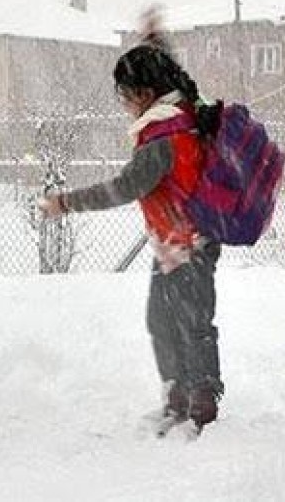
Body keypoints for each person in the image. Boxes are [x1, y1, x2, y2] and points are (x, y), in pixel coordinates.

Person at [37, 30, 225, 432]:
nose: (123, 103)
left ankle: (201, 406)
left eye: (124, 94)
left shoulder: (165, 134)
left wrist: (66, 202)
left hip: (188, 244)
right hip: (176, 244)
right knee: (163, 321)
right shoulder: (182, 115)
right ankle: (179, 396)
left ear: (143, 93)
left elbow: (126, 187)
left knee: (191, 326)